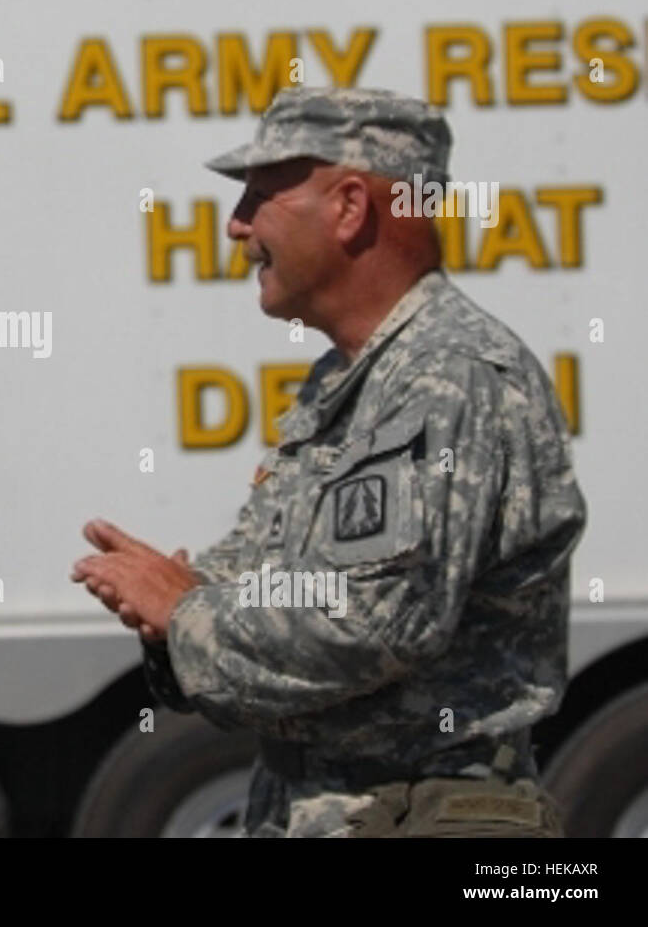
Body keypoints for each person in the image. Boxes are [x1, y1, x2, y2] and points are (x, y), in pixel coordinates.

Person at [72, 86, 585, 837]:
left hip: (431, 813)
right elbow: (276, 578)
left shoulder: (450, 375)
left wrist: (185, 613)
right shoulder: (350, 381)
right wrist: (174, 609)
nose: (237, 226)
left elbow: (376, 625)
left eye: (259, 196)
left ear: (349, 207)